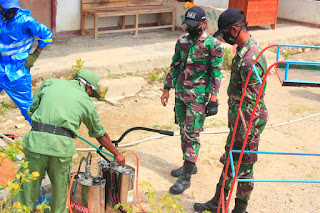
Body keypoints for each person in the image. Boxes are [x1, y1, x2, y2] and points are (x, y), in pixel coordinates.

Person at [16, 69, 125, 213]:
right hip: (61, 150)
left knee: (25, 192)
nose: (90, 95)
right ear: (88, 87)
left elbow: (31, 111)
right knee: (59, 196)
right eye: (91, 92)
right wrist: (117, 154)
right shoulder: (86, 101)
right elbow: (100, 134)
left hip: (36, 143)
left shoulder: (50, 83)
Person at [194, 8, 268, 213]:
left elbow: (252, 102)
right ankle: (218, 202)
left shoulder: (251, 58)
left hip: (248, 124)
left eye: (226, 31)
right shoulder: (243, 52)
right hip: (239, 121)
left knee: (244, 166)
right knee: (229, 160)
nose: (225, 37)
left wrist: (243, 133)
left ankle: (239, 209)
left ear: (235, 28)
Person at [161, 6, 224, 195]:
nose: (190, 28)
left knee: (192, 134)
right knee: (183, 129)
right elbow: (175, 65)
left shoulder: (213, 45)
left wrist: (213, 99)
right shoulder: (182, 41)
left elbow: (216, 72)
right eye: (188, 25)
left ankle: (186, 177)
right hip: (181, 94)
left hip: (198, 96)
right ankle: (189, 164)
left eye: (194, 25)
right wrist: (166, 89)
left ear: (204, 23)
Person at [0, 0, 52, 125]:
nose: (11, 12)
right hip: (1, 68)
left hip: (18, 72)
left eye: (13, 9)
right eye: (7, 9)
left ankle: (41, 136)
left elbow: (47, 35)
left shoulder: (26, 21)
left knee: (29, 110)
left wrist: (35, 55)